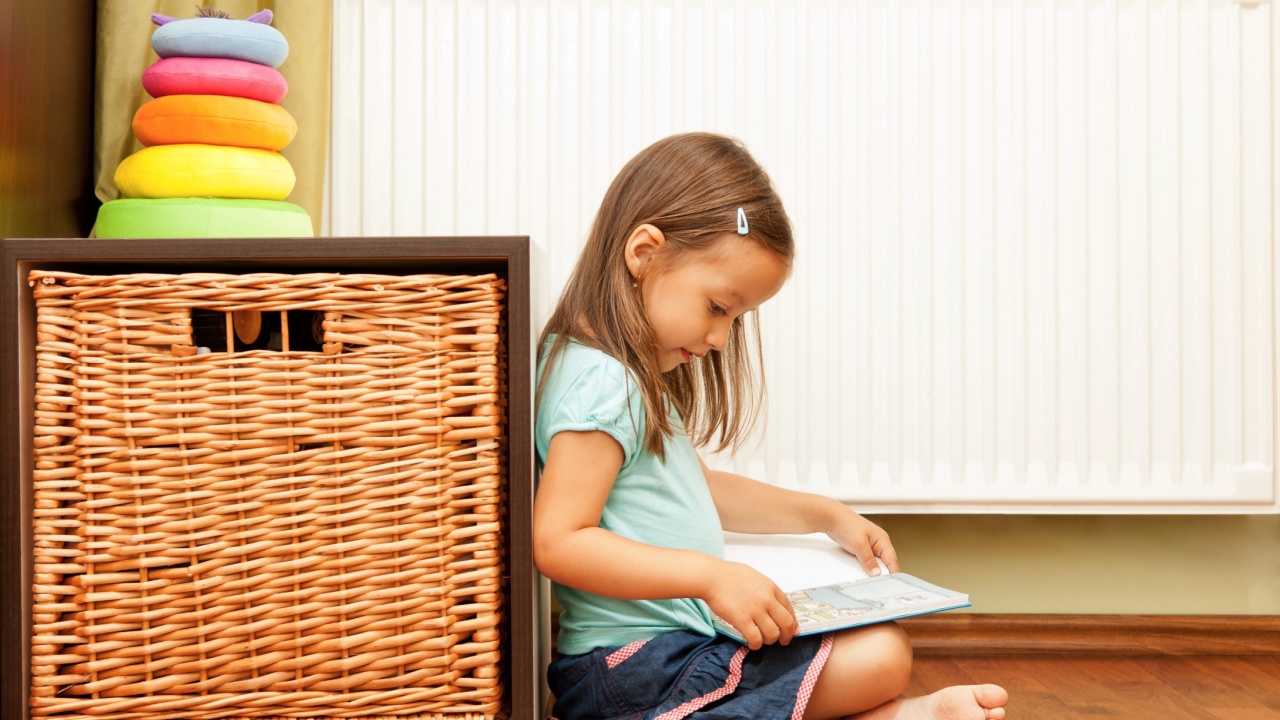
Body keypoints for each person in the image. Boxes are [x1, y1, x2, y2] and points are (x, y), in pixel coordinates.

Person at [534, 132, 1008, 720]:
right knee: (881, 658)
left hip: (669, 652)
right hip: (633, 667)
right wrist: (708, 576)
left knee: (881, 650)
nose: (720, 338)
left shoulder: (615, 374)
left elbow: (697, 490)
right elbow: (560, 540)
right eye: (717, 307)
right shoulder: (603, 384)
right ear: (644, 253)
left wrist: (823, 514)